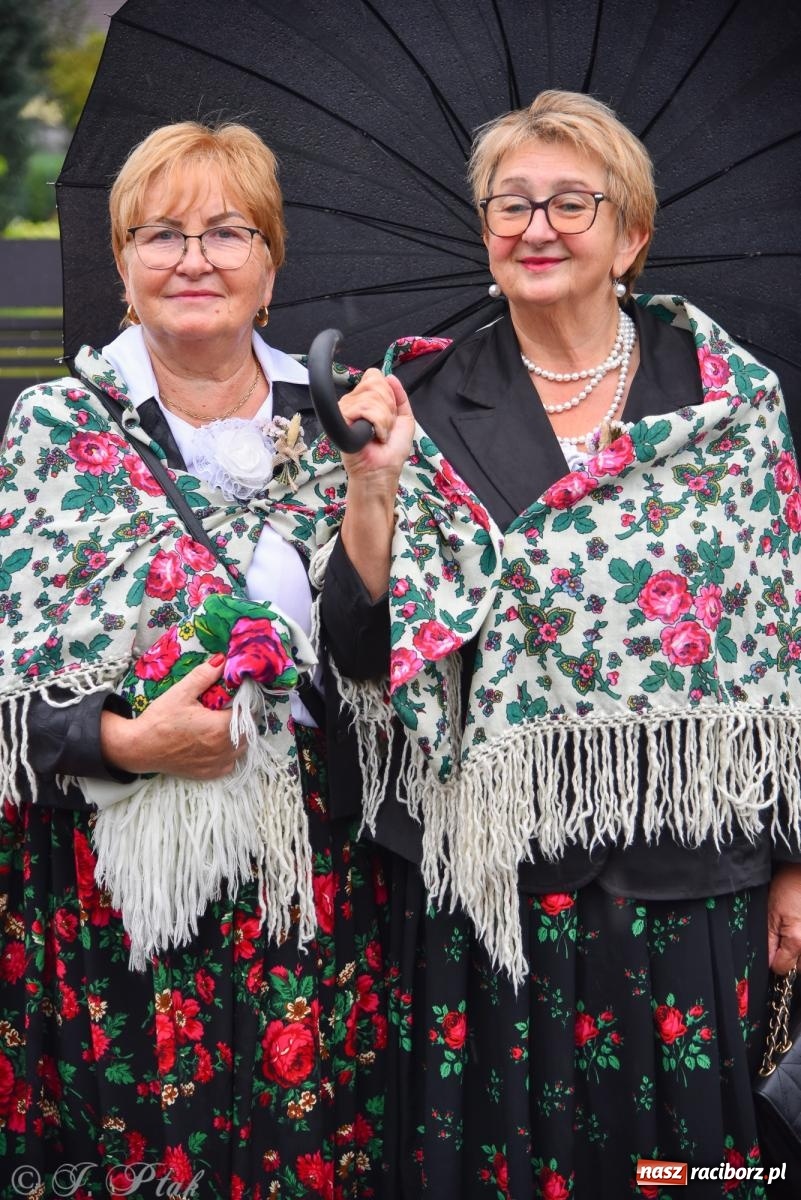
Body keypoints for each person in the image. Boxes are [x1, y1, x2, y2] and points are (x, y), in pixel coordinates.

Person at [319, 90, 801, 1197]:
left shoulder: (731, 400)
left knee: (682, 1172)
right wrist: (372, 487)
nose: (537, 227)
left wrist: (799, 862)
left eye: (571, 203)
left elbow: (785, 643)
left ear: (631, 234)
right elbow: (356, 649)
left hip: (689, 877)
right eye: (511, 203)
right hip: (489, 885)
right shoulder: (419, 396)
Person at [0, 121, 388, 1199]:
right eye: (161, 232)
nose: (194, 257)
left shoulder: (337, 416)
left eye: (227, 231)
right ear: (122, 263)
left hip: (308, 857)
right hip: (121, 863)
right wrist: (129, 740)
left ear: (271, 263)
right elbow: (10, 680)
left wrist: (375, 489)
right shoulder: (61, 425)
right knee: (141, 1141)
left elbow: (380, 650)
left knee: (310, 1139)